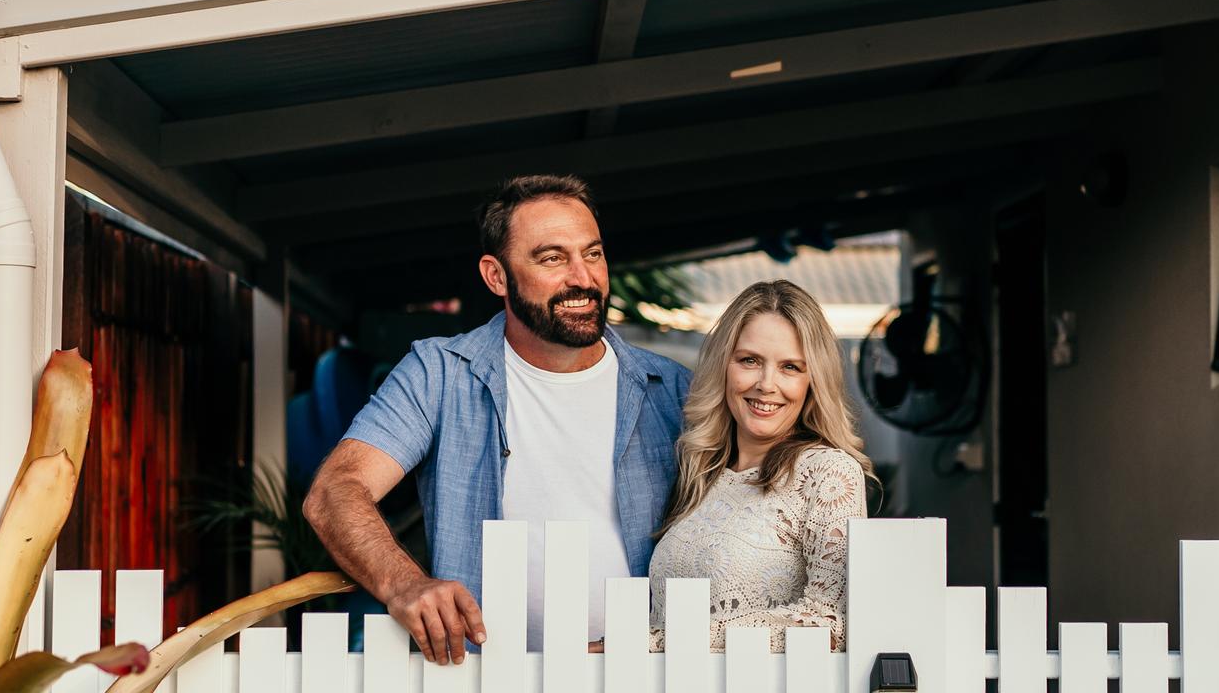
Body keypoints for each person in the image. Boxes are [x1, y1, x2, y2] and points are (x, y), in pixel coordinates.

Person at [303, 174, 691, 664]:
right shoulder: (438, 374)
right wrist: (404, 583)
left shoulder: (675, 389)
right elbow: (335, 491)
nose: (583, 277)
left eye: (592, 254)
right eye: (552, 258)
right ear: (496, 276)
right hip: (485, 674)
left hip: (637, 669)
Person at [646, 280, 875, 653]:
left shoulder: (828, 473)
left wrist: (657, 643)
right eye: (749, 361)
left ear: (812, 382)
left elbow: (829, 621)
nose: (767, 384)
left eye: (790, 367)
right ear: (724, 366)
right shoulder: (702, 470)